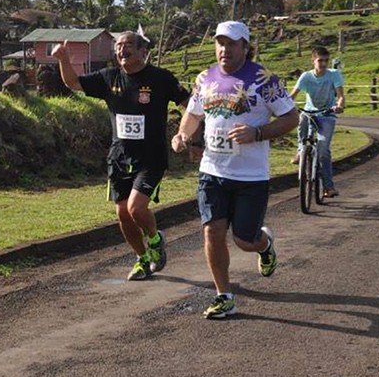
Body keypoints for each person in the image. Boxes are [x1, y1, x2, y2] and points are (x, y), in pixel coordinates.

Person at [172, 21, 298, 319]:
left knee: (244, 240)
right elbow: (192, 114)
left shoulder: (264, 78)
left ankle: (263, 244)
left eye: (231, 44)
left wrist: (257, 133)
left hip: (250, 177)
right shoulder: (205, 77)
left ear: (245, 46)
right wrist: (183, 135)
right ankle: (223, 295)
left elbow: (291, 117)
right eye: (220, 43)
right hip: (212, 171)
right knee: (212, 231)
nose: (224, 49)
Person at [52, 31, 190, 281]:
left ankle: (156, 241)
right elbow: (73, 83)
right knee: (122, 214)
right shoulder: (109, 78)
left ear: (141, 51)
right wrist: (63, 58)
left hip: (151, 158)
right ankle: (142, 258)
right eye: (117, 46)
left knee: (136, 209)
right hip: (119, 157)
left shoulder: (160, 78)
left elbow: (188, 103)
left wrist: (187, 133)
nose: (121, 50)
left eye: (127, 45)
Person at [288, 46, 345, 197]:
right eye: (320, 60)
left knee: (323, 151)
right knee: (302, 118)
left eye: (326, 60)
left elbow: (340, 96)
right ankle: (301, 150)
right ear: (313, 61)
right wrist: (284, 107)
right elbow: (292, 95)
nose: (324, 64)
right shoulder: (306, 76)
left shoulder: (334, 75)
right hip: (309, 112)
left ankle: (328, 187)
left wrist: (339, 106)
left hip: (327, 115)